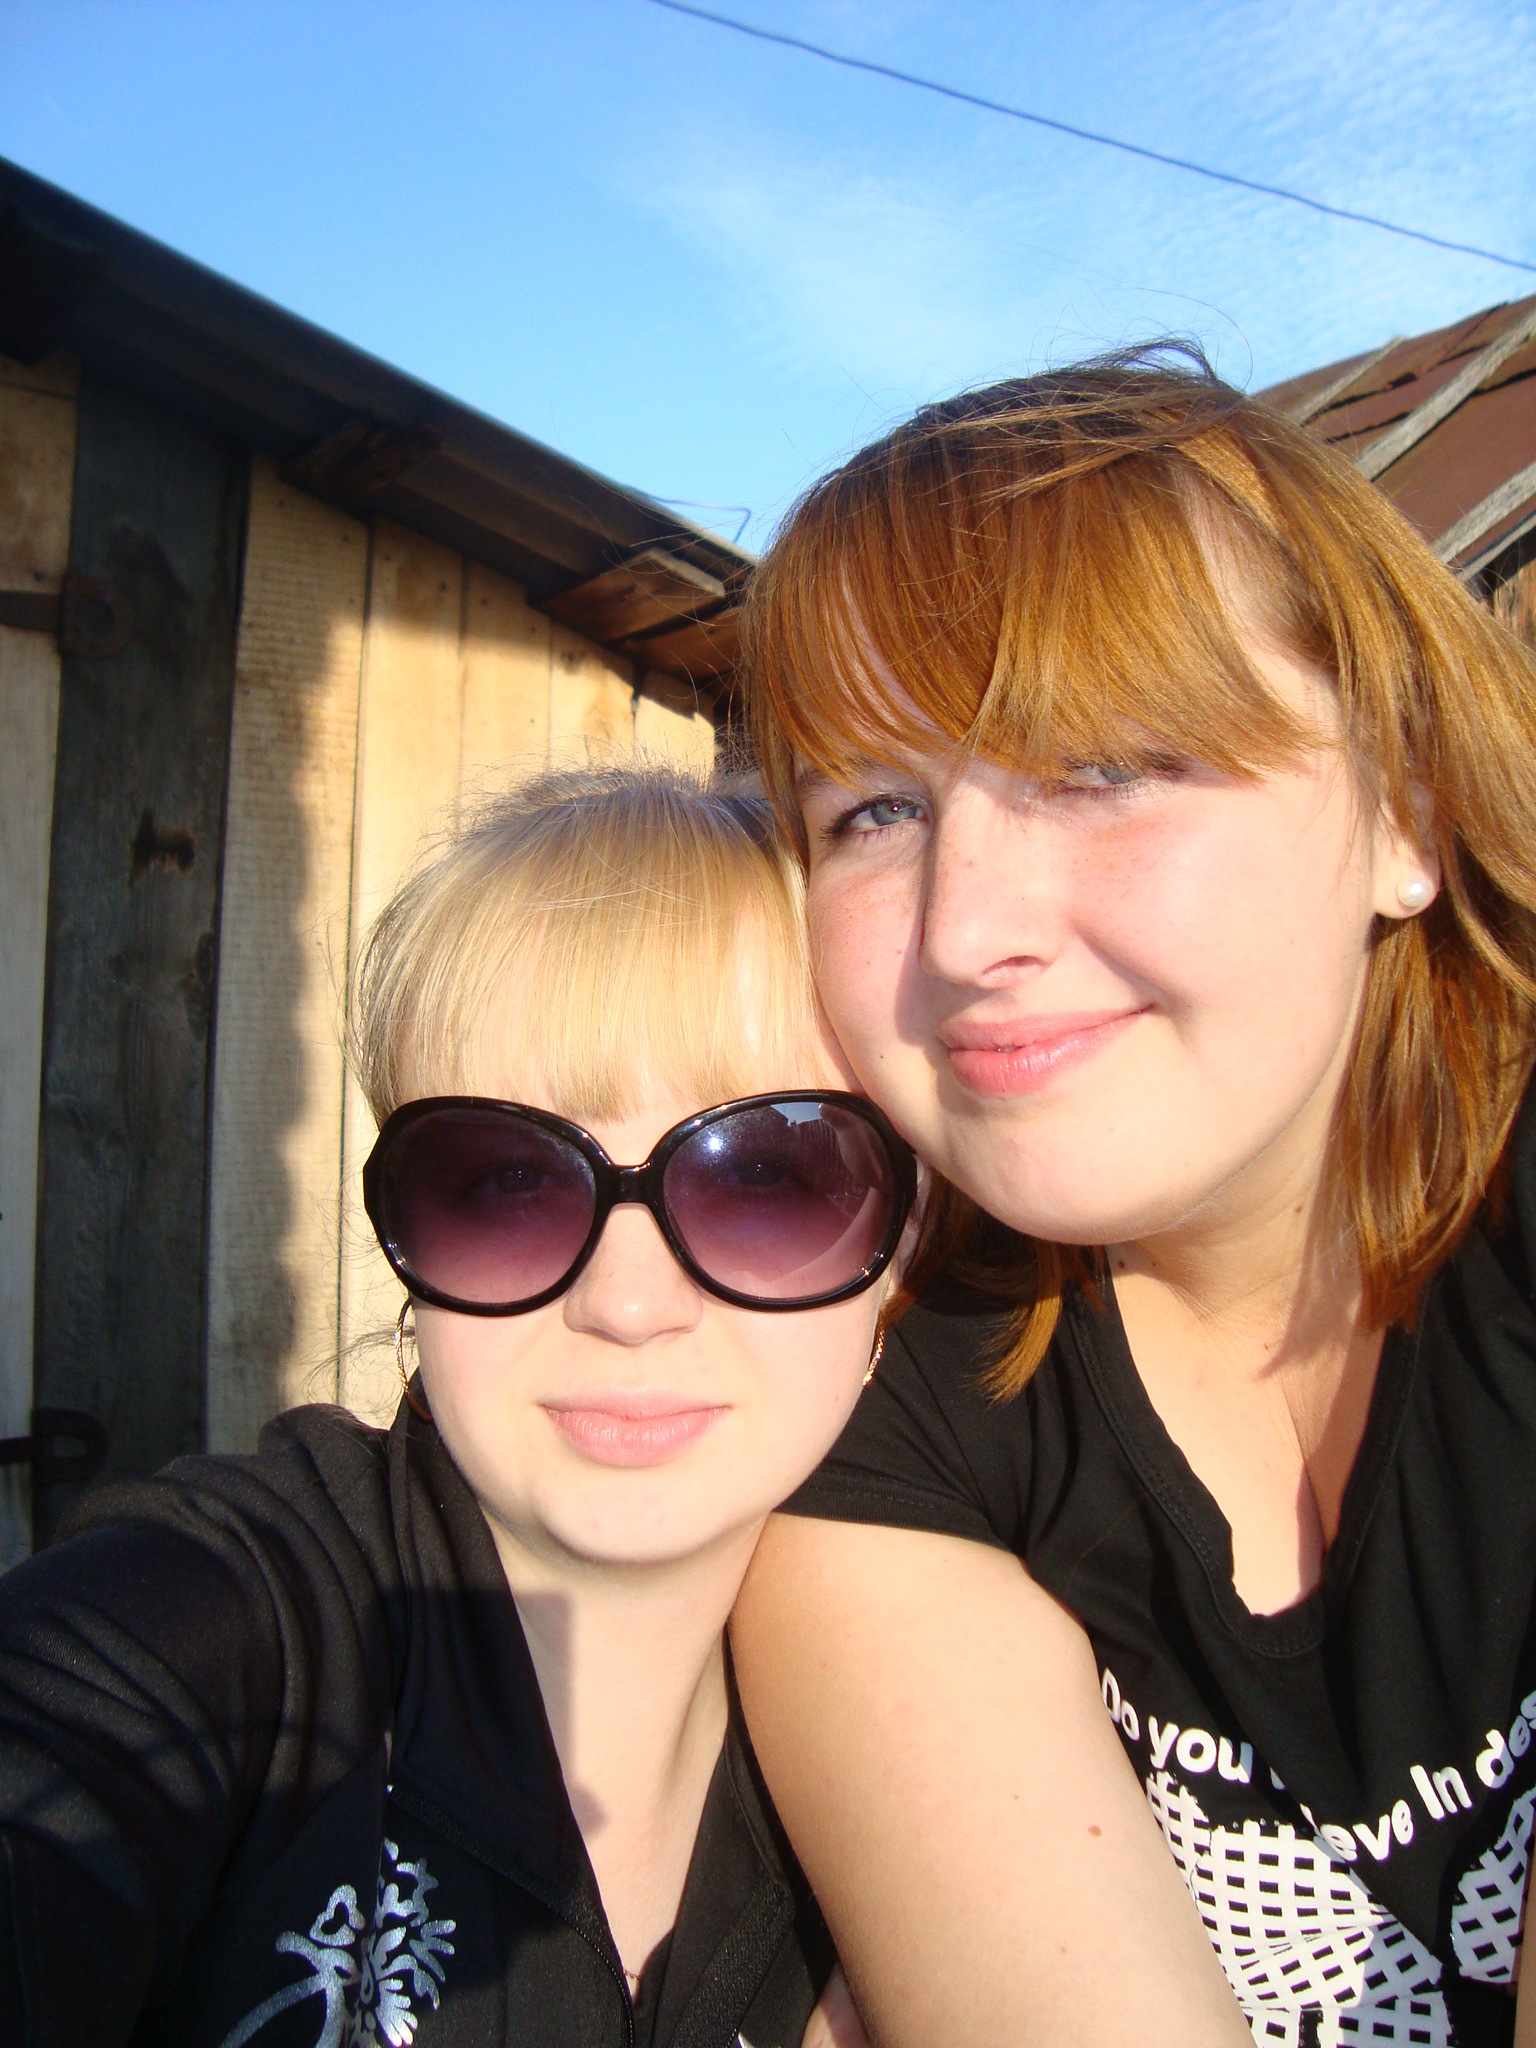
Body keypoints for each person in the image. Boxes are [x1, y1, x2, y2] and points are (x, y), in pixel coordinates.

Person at [729, 346, 1536, 2048]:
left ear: (1408, 813)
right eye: (875, 808)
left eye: (1101, 765)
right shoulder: (873, 1440)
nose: (964, 930)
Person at [0, 766, 911, 2048]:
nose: (627, 1303)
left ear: (898, 1252)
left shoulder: (926, 1776)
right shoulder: (234, 1634)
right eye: (506, 1183)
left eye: (765, 1176)